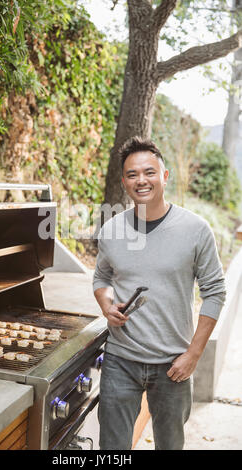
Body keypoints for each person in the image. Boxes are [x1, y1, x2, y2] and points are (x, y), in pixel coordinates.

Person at [93, 136, 226, 450]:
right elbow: (100, 277)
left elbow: (215, 292)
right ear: (124, 181)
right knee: (111, 448)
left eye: (149, 172)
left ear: (165, 176)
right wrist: (106, 305)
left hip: (173, 365)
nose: (142, 180)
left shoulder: (195, 229)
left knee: (169, 445)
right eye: (133, 174)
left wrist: (193, 354)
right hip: (120, 360)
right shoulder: (111, 230)